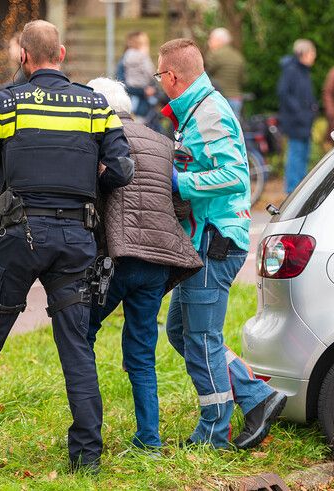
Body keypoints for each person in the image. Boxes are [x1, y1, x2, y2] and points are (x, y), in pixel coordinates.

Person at [0, 20, 134, 473]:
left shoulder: (9, 102)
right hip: (76, 239)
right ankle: (87, 456)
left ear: (24, 56)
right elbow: (123, 170)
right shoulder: (95, 104)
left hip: (18, 237)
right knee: (76, 346)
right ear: (60, 54)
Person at [156, 38, 287, 450]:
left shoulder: (208, 112)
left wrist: (182, 182)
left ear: (172, 77)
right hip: (207, 240)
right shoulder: (197, 109)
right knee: (181, 332)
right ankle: (258, 397)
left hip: (215, 242)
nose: (159, 82)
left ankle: (214, 432)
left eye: (160, 75)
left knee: (201, 339)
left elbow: (234, 176)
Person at [85, 77, 203, 450]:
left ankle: (88, 434)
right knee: (141, 352)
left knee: (80, 335)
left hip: (117, 259)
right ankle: (149, 438)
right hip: (158, 262)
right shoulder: (162, 141)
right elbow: (182, 204)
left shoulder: (97, 141)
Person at [277, 39, 318, 194]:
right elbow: (284, 93)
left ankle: (300, 191)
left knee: (303, 156)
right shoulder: (291, 70)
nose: (314, 56)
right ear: (303, 53)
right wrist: (300, 113)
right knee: (296, 157)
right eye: (312, 53)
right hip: (296, 122)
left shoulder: (304, 71)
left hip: (305, 121)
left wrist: (312, 109)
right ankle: (292, 192)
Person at [205, 27, 245, 119]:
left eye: (211, 39)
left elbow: (205, 75)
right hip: (236, 98)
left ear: (219, 40)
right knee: (234, 129)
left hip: (219, 99)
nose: (209, 42)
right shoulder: (237, 56)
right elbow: (243, 79)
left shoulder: (214, 55)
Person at [123, 31, 156, 120]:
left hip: (132, 86)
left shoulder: (127, 56)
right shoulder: (143, 56)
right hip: (143, 89)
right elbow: (150, 71)